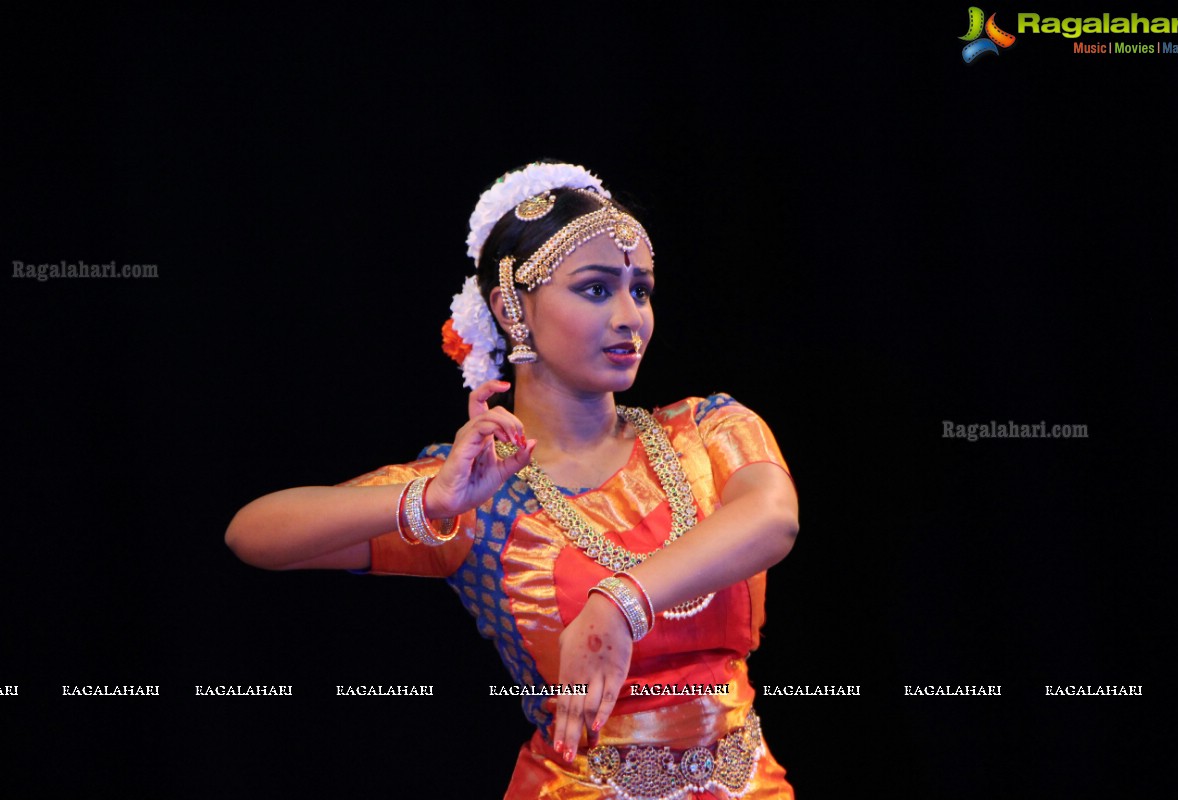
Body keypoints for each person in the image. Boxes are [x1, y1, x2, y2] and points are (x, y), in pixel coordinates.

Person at [226, 161, 800, 799]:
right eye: (595, 289)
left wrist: (619, 604)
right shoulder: (482, 494)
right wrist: (431, 498)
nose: (630, 317)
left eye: (641, 290)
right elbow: (254, 535)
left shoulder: (705, 430)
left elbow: (772, 519)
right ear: (511, 308)